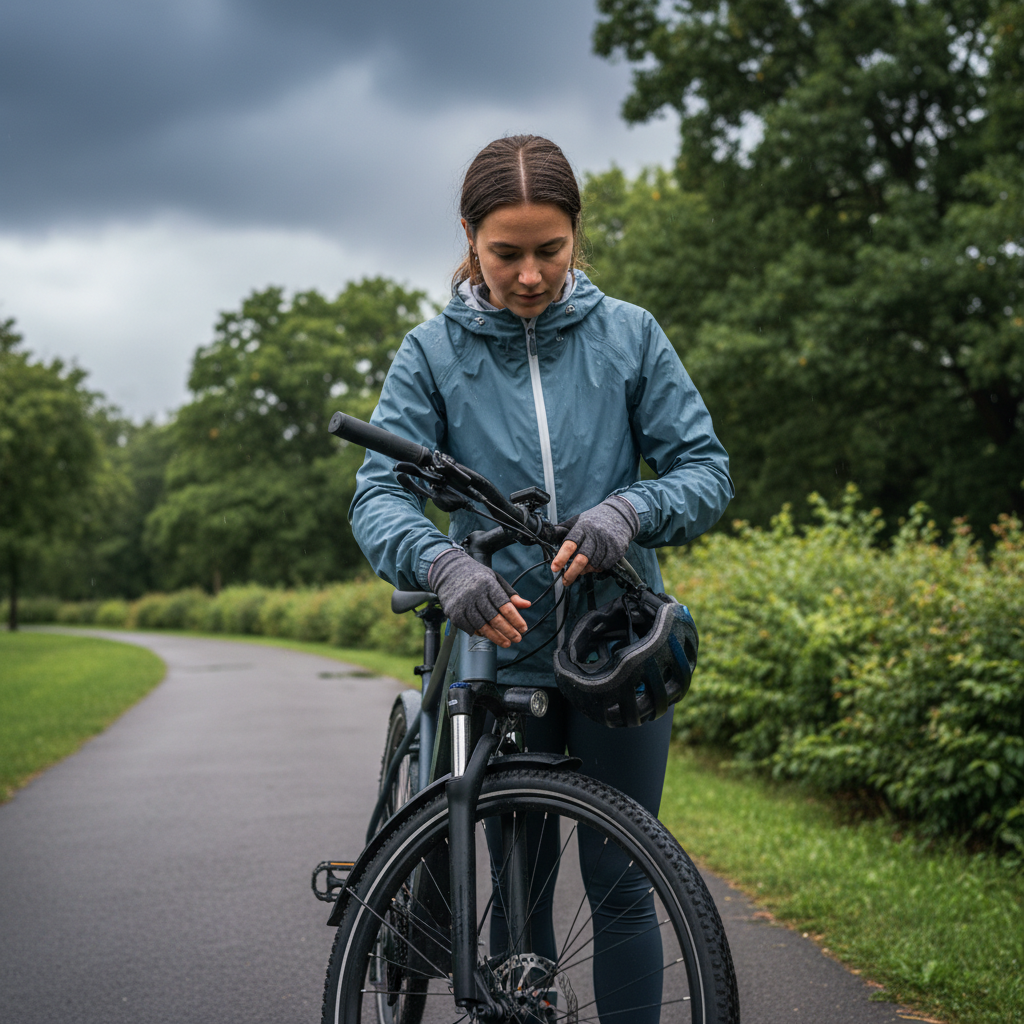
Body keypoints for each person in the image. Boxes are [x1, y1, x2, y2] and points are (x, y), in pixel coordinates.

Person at [349, 135, 733, 1022]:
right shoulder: (432, 353)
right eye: (506, 252)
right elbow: (378, 495)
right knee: (519, 901)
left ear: (577, 236)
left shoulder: (629, 336)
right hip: (502, 647)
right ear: (469, 238)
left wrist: (628, 512)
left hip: (615, 645)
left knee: (628, 883)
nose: (529, 275)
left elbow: (704, 468)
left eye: (549, 251)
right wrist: (440, 561)